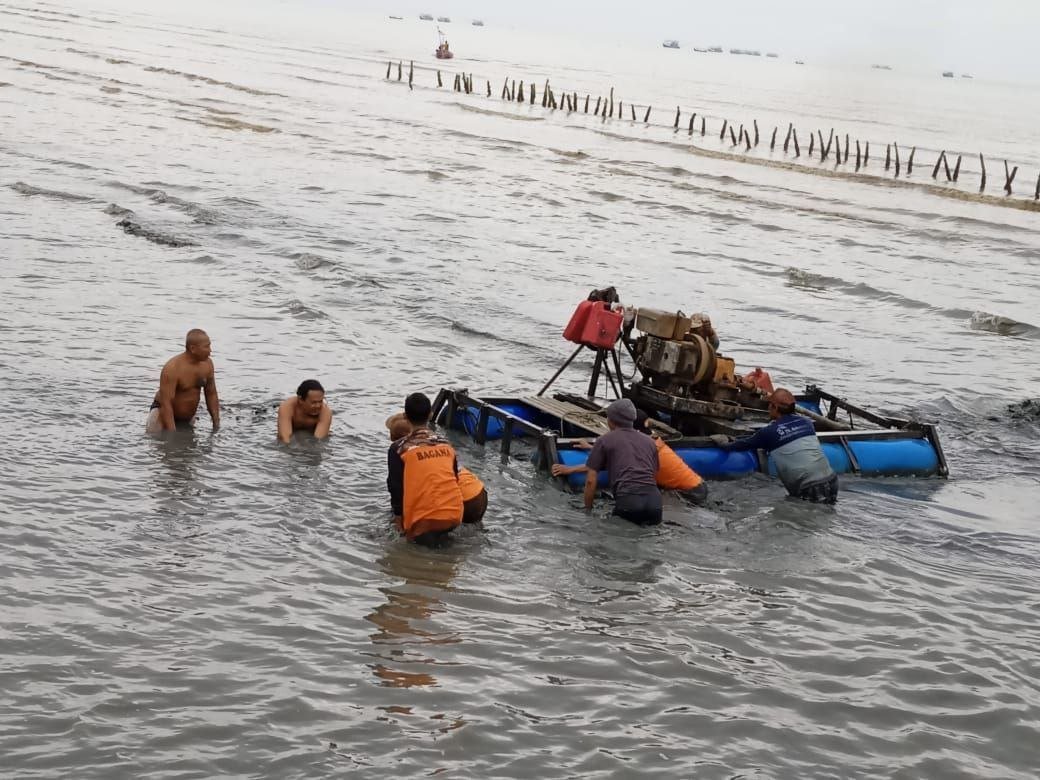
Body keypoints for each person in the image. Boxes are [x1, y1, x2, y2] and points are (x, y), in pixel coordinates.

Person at [554, 410, 708, 506]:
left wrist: (570, 469)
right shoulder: (652, 441)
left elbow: (604, 463)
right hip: (697, 486)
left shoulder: (644, 446)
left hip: (689, 493)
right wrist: (590, 447)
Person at [713, 388, 838, 503]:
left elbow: (741, 445)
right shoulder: (807, 423)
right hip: (832, 480)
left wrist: (722, 442)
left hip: (809, 488)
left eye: (769, 405)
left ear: (775, 407)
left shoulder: (769, 432)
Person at [551, 398, 662, 526]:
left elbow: (591, 480)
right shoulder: (649, 442)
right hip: (655, 503)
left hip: (629, 502)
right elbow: (651, 473)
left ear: (610, 420)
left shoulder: (604, 440)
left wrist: (588, 511)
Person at [386, 393, 464, 544]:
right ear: (430, 414)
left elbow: (395, 487)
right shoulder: (446, 445)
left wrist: (398, 520)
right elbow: (455, 478)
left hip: (423, 520)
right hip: (454, 514)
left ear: (405, 417)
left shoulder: (398, 448)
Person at [388, 414, 487, 524]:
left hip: (461, 501)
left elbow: (399, 491)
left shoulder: (404, 454)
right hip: (478, 492)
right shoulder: (438, 444)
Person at [146, 328, 219, 434]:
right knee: (162, 441)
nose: (210, 350)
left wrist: (216, 423)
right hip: (162, 412)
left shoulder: (208, 365)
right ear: (193, 349)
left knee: (189, 447)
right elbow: (166, 403)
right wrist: (172, 434)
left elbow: (211, 394)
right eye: (206, 346)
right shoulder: (173, 368)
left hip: (187, 417)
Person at [277, 379, 333, 444]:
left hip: (311, 434)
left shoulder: (326, 412)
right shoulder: (287, 407)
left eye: (320, 401)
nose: (318, 406)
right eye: (313, 402)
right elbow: (284, 438)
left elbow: (318, 441)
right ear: (300, 400)